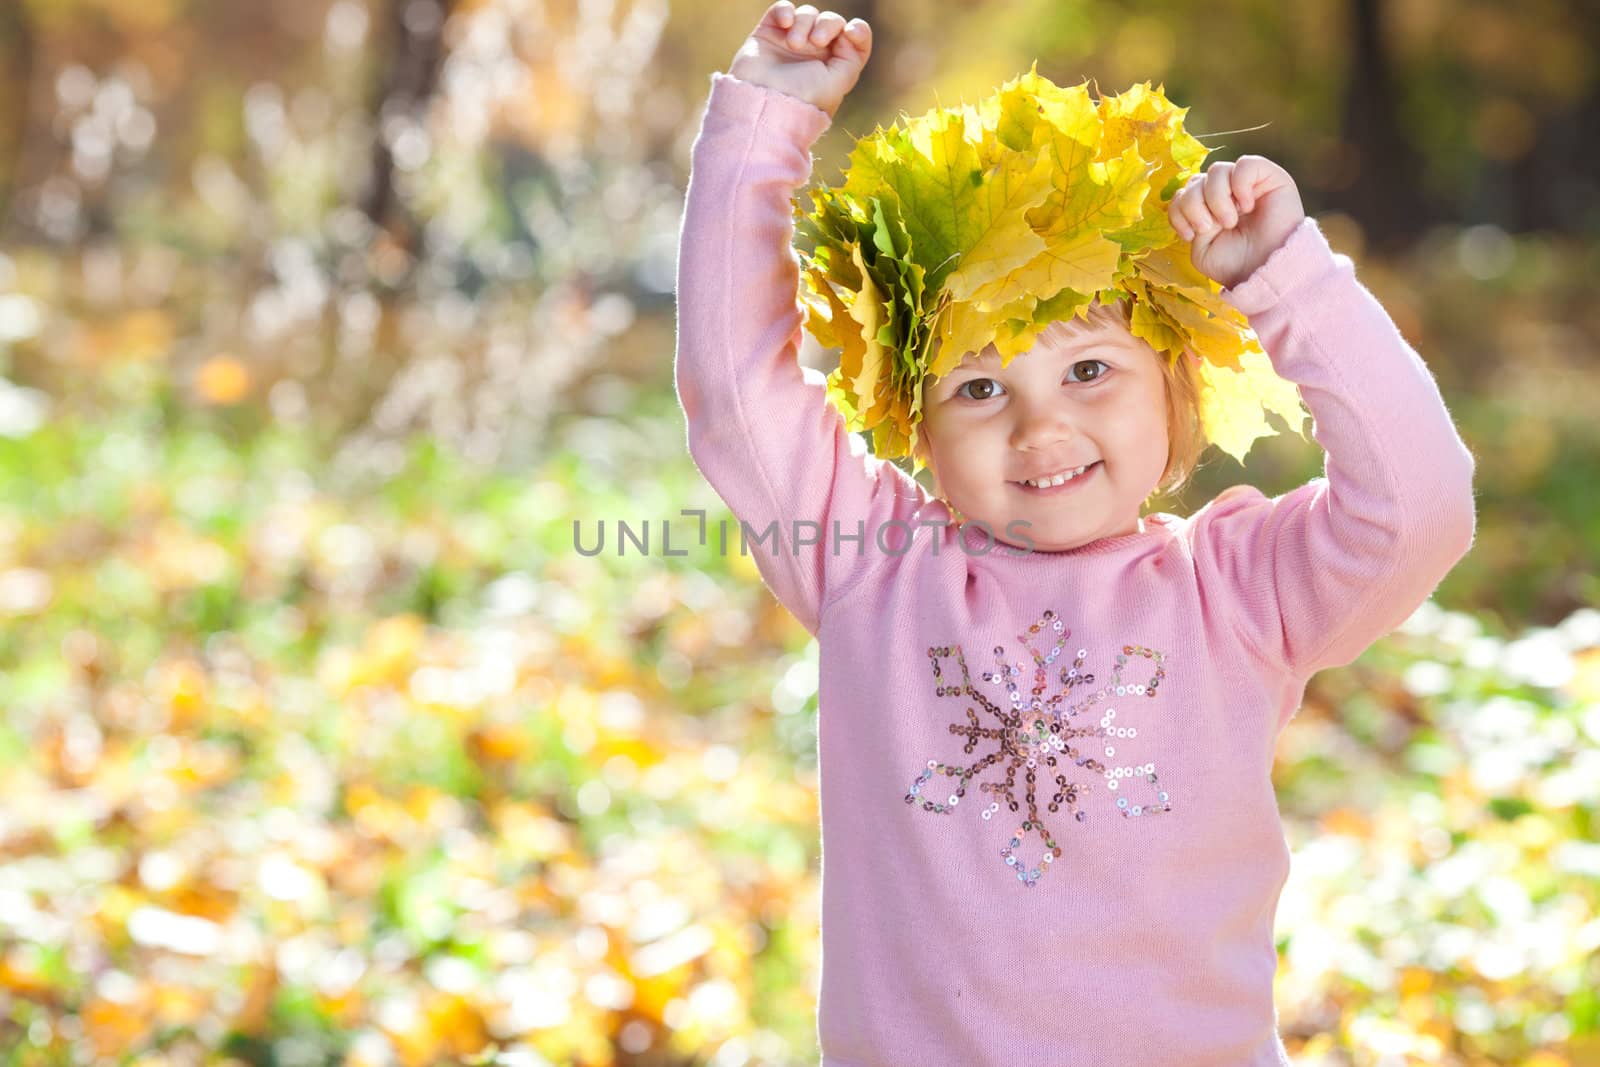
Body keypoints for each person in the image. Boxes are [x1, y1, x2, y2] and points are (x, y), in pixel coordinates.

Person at [673, 3, 1477, 1064]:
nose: (1038, 423)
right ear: (913, 422)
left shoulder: (1233, 591)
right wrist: (766, 116)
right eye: (975, 386)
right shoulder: (870, 564)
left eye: (1090, 368)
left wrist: (1285, 278)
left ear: (1174, 387)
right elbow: (737, 393)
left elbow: (1421, 505)